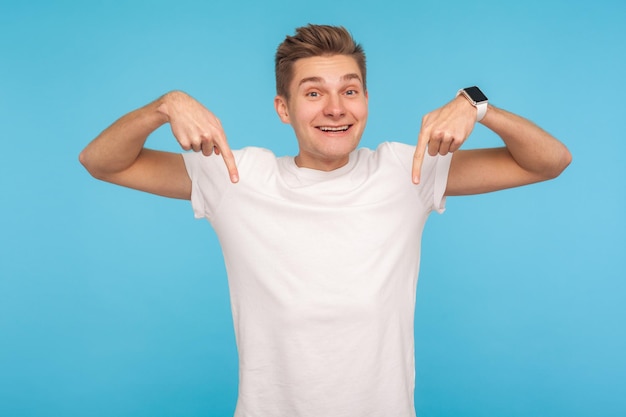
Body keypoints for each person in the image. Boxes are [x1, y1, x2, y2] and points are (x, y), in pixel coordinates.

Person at [80, 24, 571, 417]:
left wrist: (476, 105)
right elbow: (102, 161)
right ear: (283, 109)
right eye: (313, 93)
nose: (336, 108)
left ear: (366, 101)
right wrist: (164, 106)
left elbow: (548, 161)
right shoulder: (236, 175)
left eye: (350, 90)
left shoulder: (408, 169)